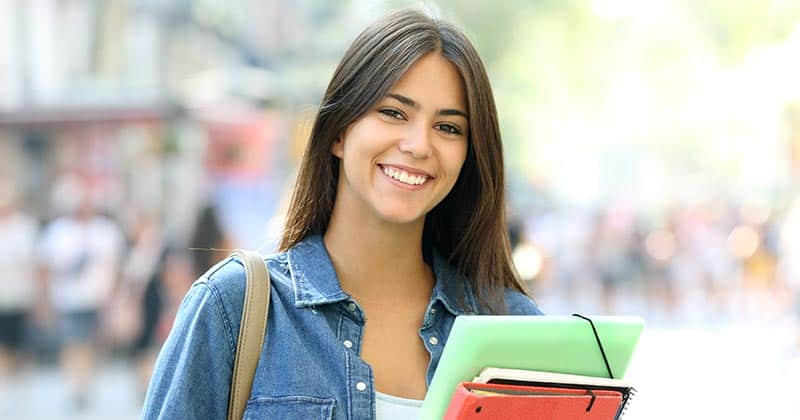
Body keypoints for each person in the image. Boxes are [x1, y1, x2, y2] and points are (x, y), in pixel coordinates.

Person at [142, 9, 542, 419]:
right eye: (394, 113)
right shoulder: (233, 307)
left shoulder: (515, 329)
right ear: (338, 132)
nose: (419, 145)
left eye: (448, 128)